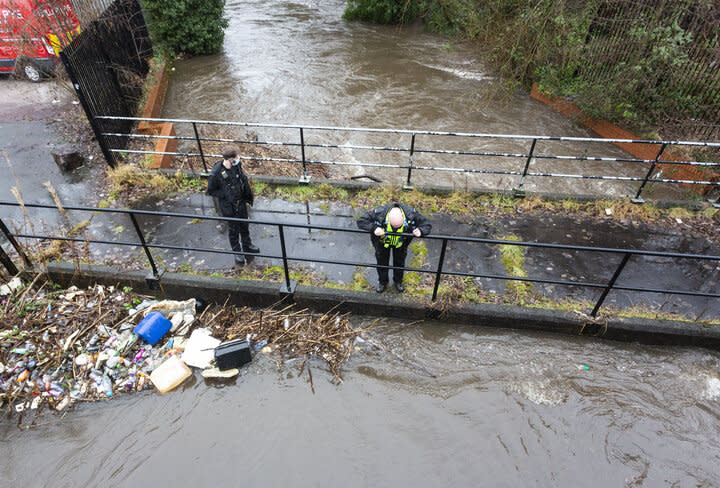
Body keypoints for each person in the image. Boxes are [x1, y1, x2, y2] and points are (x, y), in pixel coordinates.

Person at [357, 202, 431, 293]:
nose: (395, 230)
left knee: (399, 263)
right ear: (387, 218)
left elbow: (426, 224)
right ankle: (383, 282)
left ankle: (398, 281)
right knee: (382, 263)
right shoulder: (379, 212)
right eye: (393, 227)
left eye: (398, 227)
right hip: (382, 243)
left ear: (404, 219)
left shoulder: (411, 214)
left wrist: (421, 230)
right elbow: (361, 221)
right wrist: (374, 228)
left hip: (401, 244)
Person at [207, 145, 260, 265]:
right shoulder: (216, 173)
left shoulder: (237, 166)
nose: (239, 159)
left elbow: (241, 179)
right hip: (229, 206)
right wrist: (225, 194)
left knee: (244, 225)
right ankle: (237, 251)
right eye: (237, 157)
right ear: (231, 159)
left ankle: (247, 245)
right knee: (233, 230)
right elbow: (211, 190)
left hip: (240, 203)